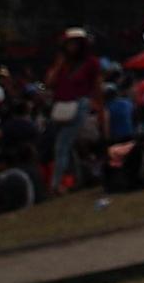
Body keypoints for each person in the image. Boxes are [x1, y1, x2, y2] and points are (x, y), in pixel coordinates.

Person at [43, 27, 106, 194]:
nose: (72, 47)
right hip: (60, 106)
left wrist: (100, 108)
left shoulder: (91, 63)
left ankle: (55, 184)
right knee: (67, 146)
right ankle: (76, 178)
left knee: (62, 145)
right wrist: (58, 65)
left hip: (79, 105)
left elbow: (97, 86)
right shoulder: (63, 63)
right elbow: (49, 82)